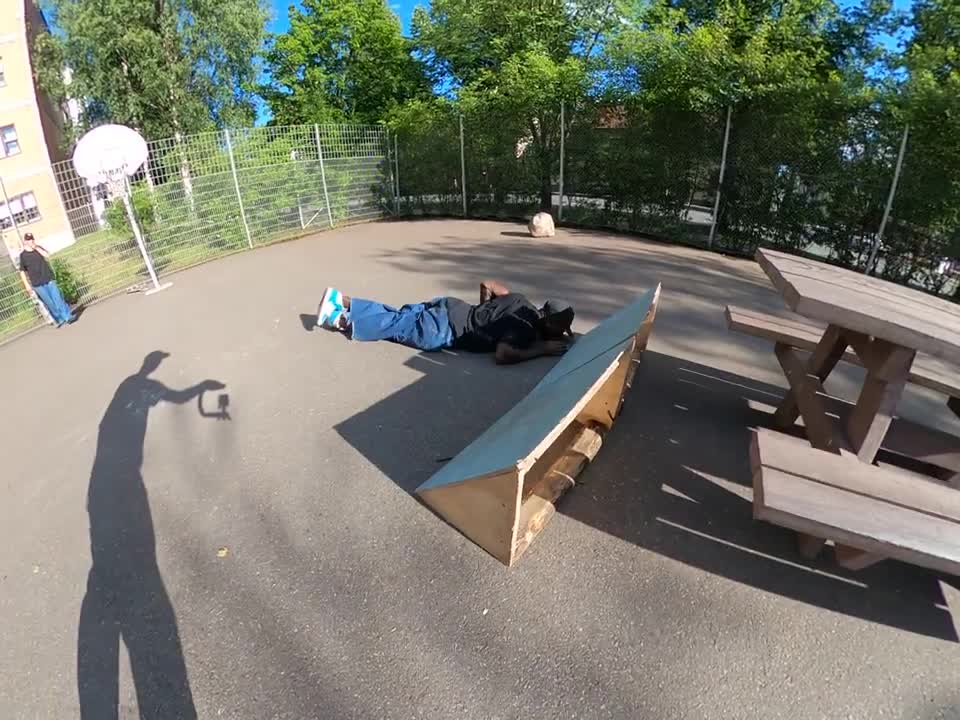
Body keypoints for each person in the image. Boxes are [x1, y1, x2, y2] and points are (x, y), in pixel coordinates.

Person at [315, 280, 575, 364]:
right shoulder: (526, 331)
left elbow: (488, 284)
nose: (563, 334)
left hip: (450, 305)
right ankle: (337, 317)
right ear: (549, 325)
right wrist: (540, 350)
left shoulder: (520, 300)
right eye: (561, 329)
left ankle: (342, 300)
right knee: (391, 324)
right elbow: (503, 354)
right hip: (442, 330)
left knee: (397, 315)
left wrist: (483, 310)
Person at [17, 232, 75, 326]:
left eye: (32, 239)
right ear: (25, 241)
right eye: (28, 240)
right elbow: (22, 271)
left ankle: (67, 316)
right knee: (49, 302)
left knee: (58, 298)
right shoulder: (23, 256)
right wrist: (27, 285)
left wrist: (36, 247)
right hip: (37, 283)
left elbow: (47, 255)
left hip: (48, 278)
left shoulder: (38, 249)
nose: (31, 241)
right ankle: (58, 318)